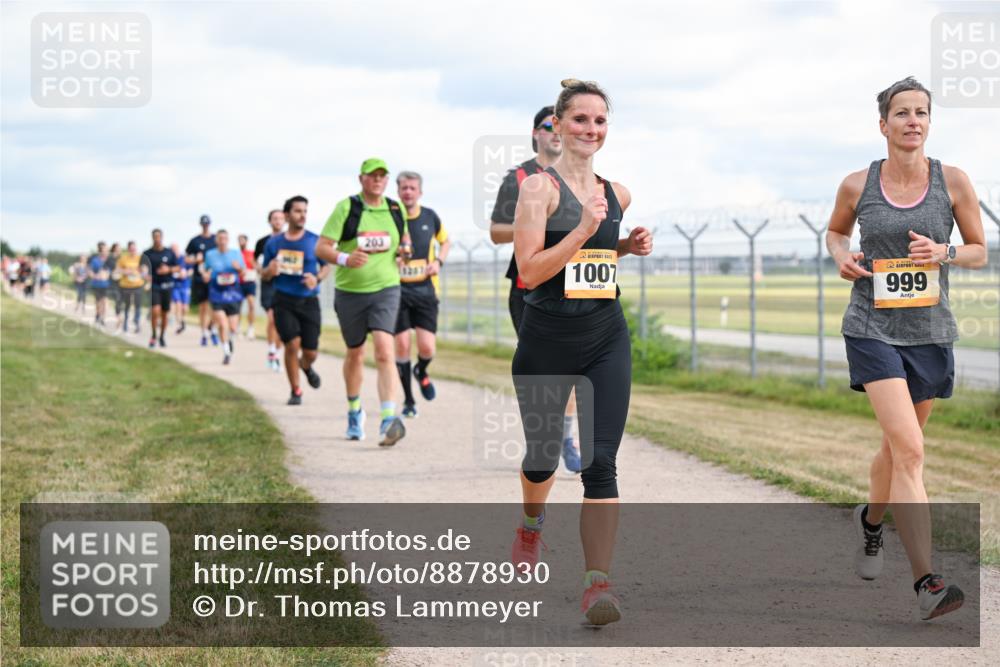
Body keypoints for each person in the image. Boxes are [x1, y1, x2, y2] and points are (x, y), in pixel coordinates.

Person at [826, 77, 987, 621]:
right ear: (883, 125)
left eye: (921, 112)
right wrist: (841, 256)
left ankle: (871, 522)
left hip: (930, 334)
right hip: (871, 327)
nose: (912, 120)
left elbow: (980, 253)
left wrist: (943, 252)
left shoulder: (954, 182)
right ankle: (928, 582)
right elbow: (835, 233)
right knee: (912, 452)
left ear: (928, 122)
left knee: (898, 451)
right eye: (902, 113)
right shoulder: (857, 184)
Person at [509, 80, 652, 627]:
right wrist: (587, 229)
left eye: (600, 122)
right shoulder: (538, 191)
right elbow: (530, 270)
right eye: (580, 121)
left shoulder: (619, 193)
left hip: (604, 336)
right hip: (546, 338)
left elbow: (595, 255)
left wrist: (623, 245)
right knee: (543, 456)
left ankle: (597, 585)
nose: (591, 130)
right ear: (558, 126)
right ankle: (530, 520)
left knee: (601, 461)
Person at [491, 104, 581, 473]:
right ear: (536, 134)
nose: (554, 132)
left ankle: (567, 439)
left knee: (573, 367)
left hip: (572, 284)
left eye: (559, 125)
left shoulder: (579, 175)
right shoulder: (519, 178)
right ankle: (542, 435)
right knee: (541, 368)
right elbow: (496, 232)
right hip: (528, 286)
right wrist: (532, 222)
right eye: (548, 126)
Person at [317, 157, 412, 446]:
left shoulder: (395, 209)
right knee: (355, 353)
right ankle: (354, 410)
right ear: (362, 179)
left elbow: (403, 240)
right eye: (372, 175)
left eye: (383, 176)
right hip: (350, 292)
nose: (378, 180)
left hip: (386, 288)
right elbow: (321, 247)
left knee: (385, 350)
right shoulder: (347, 208)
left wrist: (405, 251)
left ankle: (387, 419)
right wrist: (345, 258)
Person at [261, 196, 330, 405]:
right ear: (287, 214)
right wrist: (269, 271)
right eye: (298, 211)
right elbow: (264, 274)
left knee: (310, 351)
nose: (303, 215)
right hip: (283, 299)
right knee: (291, 344)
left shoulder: (314, 240)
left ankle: (306, 366)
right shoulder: (274, 243)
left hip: (309, 300)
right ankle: (296, 390)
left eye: (305, 211)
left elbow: (326, 266)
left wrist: (316, 278)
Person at [393, 171, 451, 418]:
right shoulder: (391, 218)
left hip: (426, 290)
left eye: (412, 188)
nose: (408, 191)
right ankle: (408, 400)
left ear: (420, 192)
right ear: (398, 191)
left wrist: (438, 261)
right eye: (404, 187)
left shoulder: (430, 216)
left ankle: (422, 371)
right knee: (403, 344)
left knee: (427, 348)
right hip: (397, 291)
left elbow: (446, 242)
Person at [201, 229, 245, 364]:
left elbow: (243, 273)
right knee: (222, 323)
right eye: (220, 238)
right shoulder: (210, 254)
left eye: (225, 238)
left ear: (228, 239)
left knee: (232, 327)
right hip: (217, 291)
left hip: (233, 291)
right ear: (216, 240)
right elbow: (204, 269)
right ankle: (226, 351)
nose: (222, 240)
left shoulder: (236, 253)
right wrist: (205, 275)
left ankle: (229, 340)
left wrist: (238, 269)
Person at [256, 209, 286, 371]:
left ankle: (277, 353)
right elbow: (257, 265)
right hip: (268, 284)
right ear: (270, 221)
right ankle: (271, 350)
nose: (278, 221)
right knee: (272, 319)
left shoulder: (289, 240)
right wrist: (265, 270)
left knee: (281, 322)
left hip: (285, 284)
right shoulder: (262, 242)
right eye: (275, 218)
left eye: (281, 218)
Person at [186, 214, 218, 346]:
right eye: (203, 224)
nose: (205, 226)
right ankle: (204, 333)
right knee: (203, 307)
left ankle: (213, 328)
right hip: (199, 277)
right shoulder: (195, 241)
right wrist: (195, 260)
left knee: (216, 306)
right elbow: (186, 259)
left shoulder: (216, 239)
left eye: (207, 224)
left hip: (213, 277)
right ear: (201, 225)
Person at [143, 229, 177, 348]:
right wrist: (145, 275)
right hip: (154, 286)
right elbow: (142, 269)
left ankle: (162, 336)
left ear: (162, 237)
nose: (157, 239)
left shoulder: (169, 252)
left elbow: (177, 267)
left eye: (159, 236)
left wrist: (168, 270)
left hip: (167, 285)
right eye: (155, 237)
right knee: (155, 311)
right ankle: (153, 335)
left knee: (164, 314)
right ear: (152, 238)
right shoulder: (147, 253)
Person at [116, 241, 145, 334]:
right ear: (128, 249)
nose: (133, 250)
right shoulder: (123, 258)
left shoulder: (140, 258)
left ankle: (136, 323)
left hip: (138, 284)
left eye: (134, 249)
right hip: (126, 285)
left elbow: (145, 270)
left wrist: (140, 271)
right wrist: (125, 271)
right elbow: (117, 269)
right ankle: (125, 323)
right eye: (131, 249)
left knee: (137, 305)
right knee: (127, 305)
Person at [238, 234, 258, 340]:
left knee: (251, 305)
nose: (241, 242)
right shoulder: (236, 254)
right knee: (239, 307)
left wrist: (254, 265)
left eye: (243, 240)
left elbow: (257, 266)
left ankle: (250, 329)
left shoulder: (252, 254)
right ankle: (238, 328)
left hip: (250, 282)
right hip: (239, 283)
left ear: (246, 241)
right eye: (239, 240)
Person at [87, 242, 112, 325]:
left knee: (104, 301)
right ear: (100, 251)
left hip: (105, 285)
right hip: (96, 284)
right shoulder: (95, 260)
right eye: (105, 250)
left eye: (107, 250)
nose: (106, 252)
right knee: (98, 302)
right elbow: (90, 271)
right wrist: (95, 276)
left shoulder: (109, 261)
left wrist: (107, 274)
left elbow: (111, 271)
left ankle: (102, 318)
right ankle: (98, 315)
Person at [170, 243, 191, 333]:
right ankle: (180, 323)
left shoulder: (184, 259)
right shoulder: (170, 260)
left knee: (185, 308)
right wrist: (176, 274)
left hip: (185, 286)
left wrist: (185, 274)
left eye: (175, 249)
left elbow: (191, 270)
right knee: (178, 304)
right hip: (175, 286)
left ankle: (182, 319)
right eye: (172, 249)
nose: (174, 251)